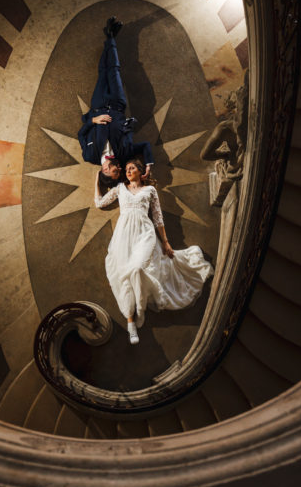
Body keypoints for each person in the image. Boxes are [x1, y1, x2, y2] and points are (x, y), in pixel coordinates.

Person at [94, 158, 214, 344]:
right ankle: (131, 321)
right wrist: (96, 180)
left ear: (141, 172)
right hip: (123, 236)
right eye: (126, 168)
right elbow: (100, 203)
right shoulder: (120, 189)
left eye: (132, 168)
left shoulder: (149, 190)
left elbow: (158, 218)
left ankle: (140, 309)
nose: (128, 171)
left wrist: (165, 242)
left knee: (137, 269)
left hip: (145, 233)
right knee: (123, 278)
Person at [78, 17, 154, 188]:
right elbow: (145, 145)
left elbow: (81, 134)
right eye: (119, 171)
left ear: (105, 171)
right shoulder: (124, 155)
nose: (119, 168)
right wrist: (149, 163)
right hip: (118, 104)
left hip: (98, 104)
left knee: (102, 72)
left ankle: (110, 36)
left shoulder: (89, 155)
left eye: (115, 172)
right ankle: (111, 38)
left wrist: (93, 121)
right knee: (114, 71)